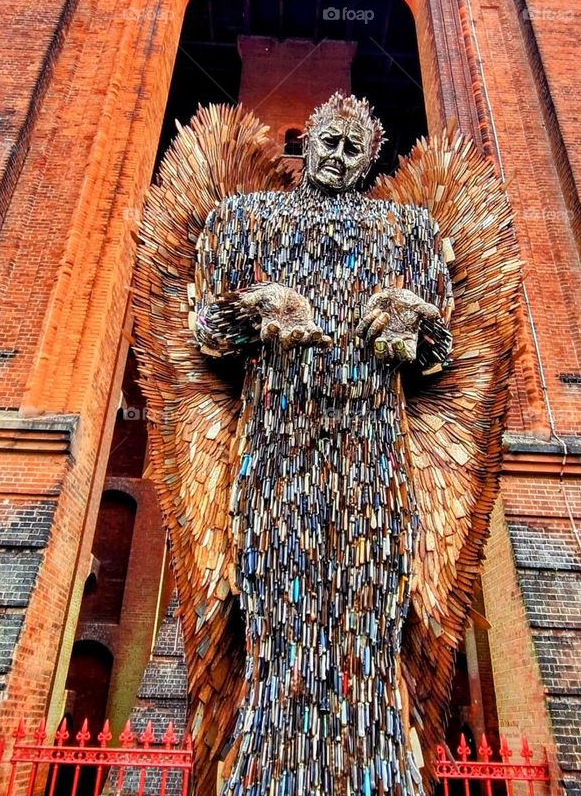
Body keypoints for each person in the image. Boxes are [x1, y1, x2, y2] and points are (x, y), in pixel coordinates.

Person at [193, 93, 453, 796]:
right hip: (277, 451)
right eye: (328, 143)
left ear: (372, 161)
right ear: (305, 143)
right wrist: (257, 307)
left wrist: (411, 316)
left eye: (352, 150)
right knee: (280, 624)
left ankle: (378, 775)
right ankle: (268, 775)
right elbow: (206, 328)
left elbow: (439, 348)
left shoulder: (408, 233)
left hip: (372, 457)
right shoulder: (245, 219)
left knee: (371, 622)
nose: (337, 158)